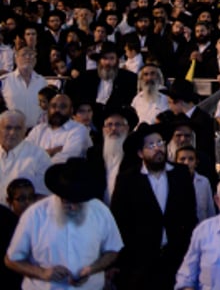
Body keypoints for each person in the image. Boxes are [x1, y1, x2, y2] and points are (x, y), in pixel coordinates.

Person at [4, 158, 122, 289]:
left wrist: (92, 269)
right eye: (68, 202)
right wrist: (42, 273)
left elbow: (112, 251)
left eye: (78, 202)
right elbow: (11, 260)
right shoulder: (35, 215)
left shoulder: (101, 211)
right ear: (59, 195)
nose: (74, 207)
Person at [111, 122, 198, 289]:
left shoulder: (180, 173)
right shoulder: (127, 179)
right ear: (140, 153)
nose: (158, 148)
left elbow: (189, 214)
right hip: (140, 261)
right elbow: (120, 221)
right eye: (151, 145)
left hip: (176, 257)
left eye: (160, 143)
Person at [0, 111, 50, 197]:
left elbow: (43, 194)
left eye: (18, 128)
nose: (12, 133)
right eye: (8, 128)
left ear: (25, 131)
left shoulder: (39, 156)